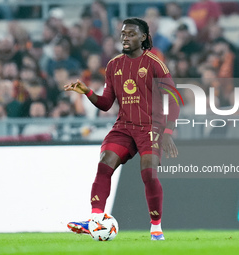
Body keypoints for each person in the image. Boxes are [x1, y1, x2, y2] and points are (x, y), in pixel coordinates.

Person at [64, 18, 180, 241]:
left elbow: (174, 100)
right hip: (124, 126)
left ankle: (156, 228)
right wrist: (88, 92)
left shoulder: (155, 64)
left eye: (131, 34)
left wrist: (167, 133)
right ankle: (95, 220)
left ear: (143, 37)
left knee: (148, 172)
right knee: (105, 162)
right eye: (123, 34)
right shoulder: (114, 65)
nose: (125, 38)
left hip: (151, 127)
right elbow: (106, 103)